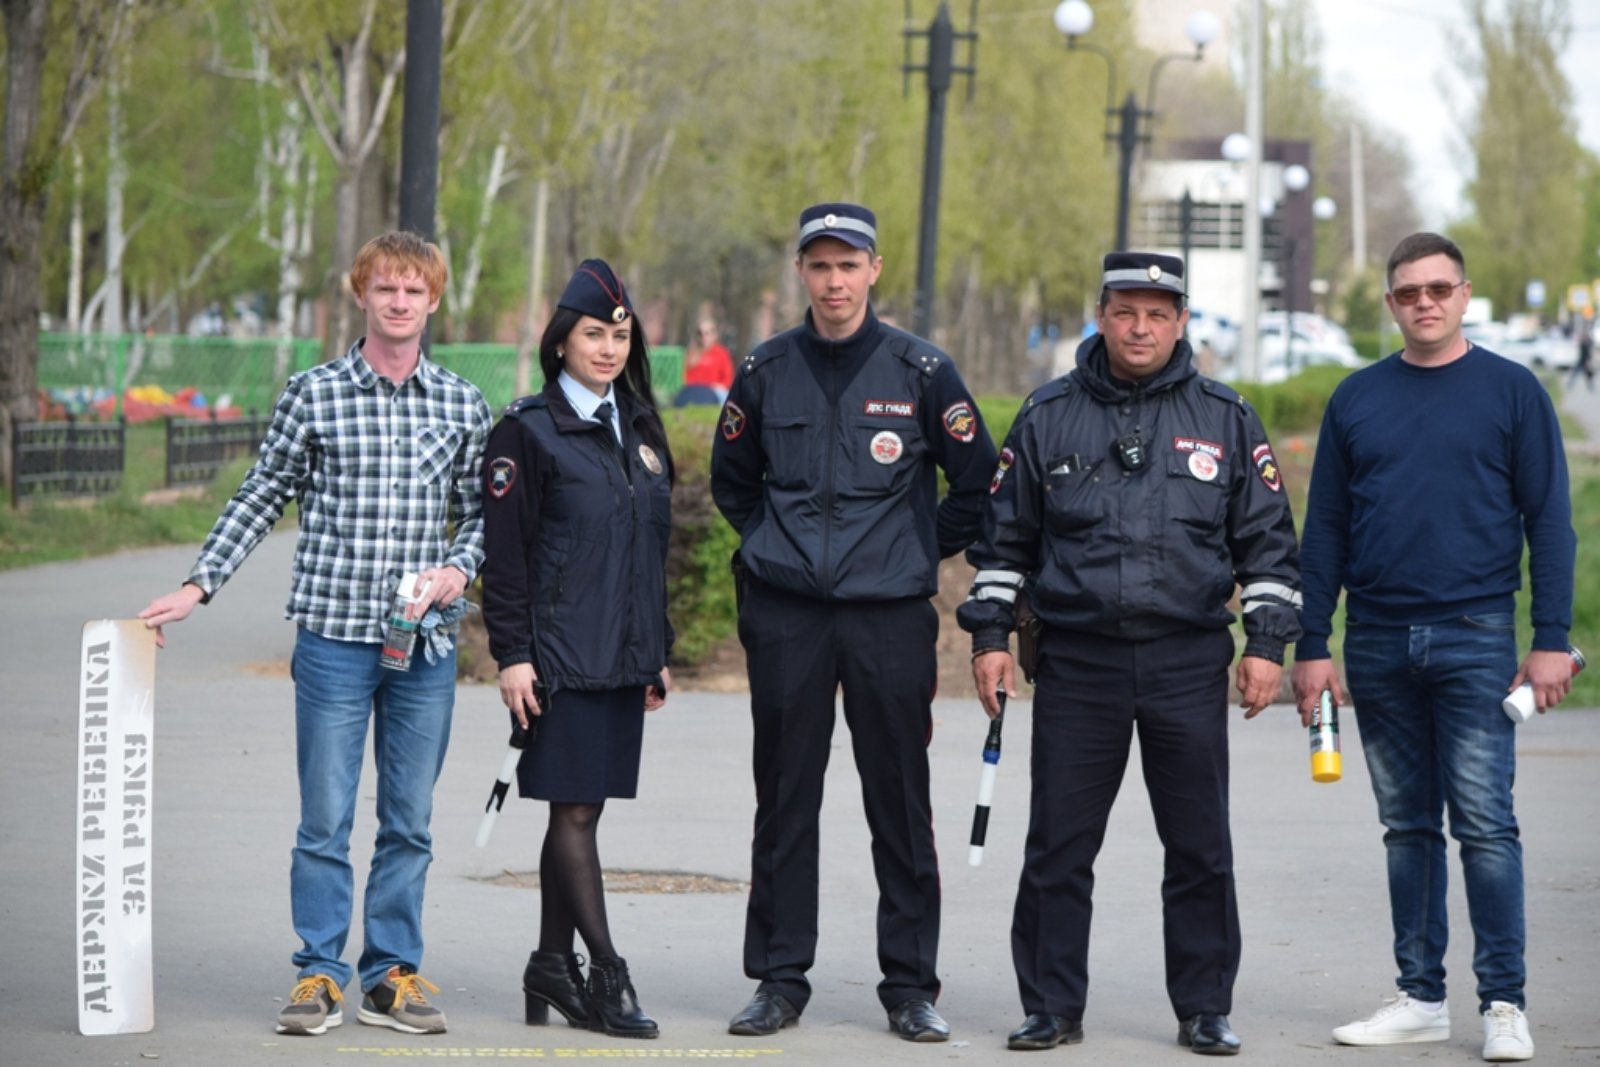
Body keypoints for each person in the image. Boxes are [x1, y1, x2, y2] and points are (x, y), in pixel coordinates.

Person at [137, 231, 491, 1037]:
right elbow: (262, 494)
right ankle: (320, 974)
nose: (399, 302)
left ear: (433, 301)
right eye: (386, 288)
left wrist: (458, 569)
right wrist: (200, 584)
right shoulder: (315, 392)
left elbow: (480, 516)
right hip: (333, 640)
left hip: (424, 645)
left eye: (414, 290)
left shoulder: (462, 402)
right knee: (324, 818)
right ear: (361, 295)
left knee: (410, 818)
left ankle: (391, 973)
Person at [958, 252, 1303, 1056]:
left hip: (1187, 659)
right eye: (1125, 311)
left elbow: (1267, 546)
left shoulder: (1226, 417)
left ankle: (1204, 1006)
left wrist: (1266, 646)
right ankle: (1050, 1005)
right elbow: (1005, 541)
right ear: (1101, 315)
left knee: (1199, 845)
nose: (1140, 327)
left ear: (1181, 321)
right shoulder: (1047, 415)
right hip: (1079, 663)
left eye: (1157, 312)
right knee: (1057, 845)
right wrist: (988, 637)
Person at [710, 202, 997, 1044]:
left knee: (901, 804)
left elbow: (976, 482)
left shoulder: (922, 370)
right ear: (801, 271)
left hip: (889, 618)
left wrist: (913, 550)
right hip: (790, 616)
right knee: (785, 800)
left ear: (875, 270)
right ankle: (778, 977)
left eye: (849, 264)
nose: (834, 281)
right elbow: (734, 480)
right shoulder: (765, 369)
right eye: (819, 265)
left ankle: (909, 984)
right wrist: (776, 547)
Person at [1291, 233, 1576, 1064]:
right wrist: (1315, 642)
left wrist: (1551, 636)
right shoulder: (1356, 399)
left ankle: (1504, 1003)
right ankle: (1420, 996)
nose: (1425, 301)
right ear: (1391, 303)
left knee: (1486, 825)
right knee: (1406, 826)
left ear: (1464, 294)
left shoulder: (1513, 392)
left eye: (1439, 288)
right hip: (1375, 639)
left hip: (1477, 634)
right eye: (1409, 291)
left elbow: (1549, 522)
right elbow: (1327, 532)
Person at [479, 259, 674, 1040]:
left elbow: (648, 549)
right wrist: (513, 654)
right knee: (575, 812)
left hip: (621, 654)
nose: (608, 347)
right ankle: (607, 974)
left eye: (620, 333)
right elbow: (508, 555)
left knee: (581, 810)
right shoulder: (526, 429)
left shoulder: (641, 424)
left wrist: (652, 650)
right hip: (558, 657)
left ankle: (550, 966)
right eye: (593, 332)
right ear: (560, 340)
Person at [676, 315, 735, 406]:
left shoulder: (721, 353)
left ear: (714, 334)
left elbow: (727, 380)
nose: (703, 337)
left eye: (707, 333)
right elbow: (685, 377)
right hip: (694, 391)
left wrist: (714, 386)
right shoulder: (691, 353)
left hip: (715, 391)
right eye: (700, 333)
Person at [1567, 310, 1594, 392]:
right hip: (1583, 355)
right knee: (1581, 370)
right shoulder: (1583, 326)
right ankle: (1571, 384)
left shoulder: (1586, 326)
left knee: (1585, 371)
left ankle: (1589, 386)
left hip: (1584, 356)